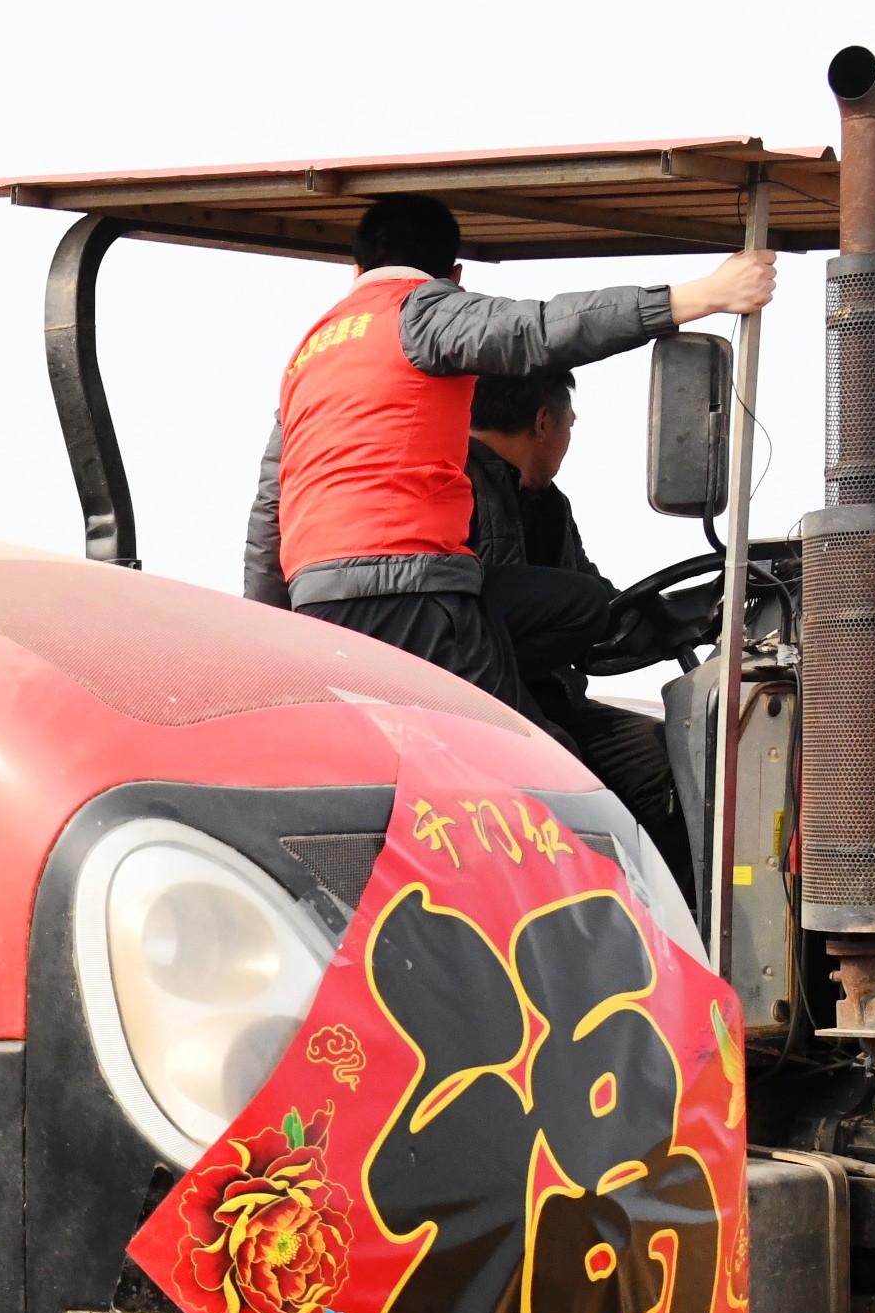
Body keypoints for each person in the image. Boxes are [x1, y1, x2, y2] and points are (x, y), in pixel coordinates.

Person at [243, 198, 768, 714]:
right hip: (411, 593)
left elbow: (271, 508)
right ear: (455, 275)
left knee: (579, 605)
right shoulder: (422, 310)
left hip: (316, 598)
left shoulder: (308, 355)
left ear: (354, 269)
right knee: (530, 768)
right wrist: (700, 296)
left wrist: (270, 633)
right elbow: (539, 329)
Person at [465, 368, 692, 876]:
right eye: (570, 422)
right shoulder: (453, 484)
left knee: (664, 759)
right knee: (559, 765)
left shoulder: (549, 507)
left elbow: (600, 613)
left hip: (555, 699)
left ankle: (681, 930)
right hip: (481, 696)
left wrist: (686, 615)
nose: (569, 438)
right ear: (544, 422)